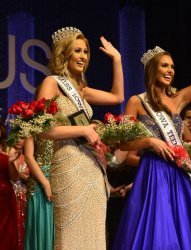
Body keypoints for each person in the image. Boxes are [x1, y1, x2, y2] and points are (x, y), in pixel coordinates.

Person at [113, 14, 191, 250]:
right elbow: (124, 145)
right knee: (158, 231)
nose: (170, 70)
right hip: (153, 172)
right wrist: (150, 141)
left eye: (172, 67)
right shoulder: (137, 102)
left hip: (178, 174)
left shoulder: (178, 99)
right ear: (152, 69)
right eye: (165, 65)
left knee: (181, 229)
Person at [36, 27, 124, 249]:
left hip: (92, 168)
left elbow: (118, 96)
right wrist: (82, 130)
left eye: (85, 51)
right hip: (67, 166)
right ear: (64, 53)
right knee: (70, 235)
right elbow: (43, 130)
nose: (83, 56)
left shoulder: (82, 89)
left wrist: (117, 59)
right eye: (77, 50)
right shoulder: (52, 83)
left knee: (94, 236)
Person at [23, 136, 55, 250]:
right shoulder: (33, 123)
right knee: (40, 229)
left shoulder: (65, 122)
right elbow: (28, 156)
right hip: (39, 185)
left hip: (59, 180)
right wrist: (46, 183)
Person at [0, 118, 21, 249]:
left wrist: (11, 163)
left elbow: (15, 178)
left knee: (6, 234)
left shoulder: (9, 150)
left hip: (5, 198)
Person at [11, 137, 30, 250]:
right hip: (11, 196)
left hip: (25, 197)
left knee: (25, 225)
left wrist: (21, 176)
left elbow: (32, 179)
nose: (18, 140)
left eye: (22, 138)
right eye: (16, 136)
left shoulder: (30, 157)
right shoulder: (8, 156)